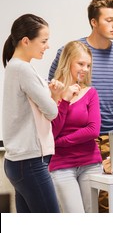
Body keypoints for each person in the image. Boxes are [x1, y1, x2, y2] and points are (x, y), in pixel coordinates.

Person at [48, 0, 113, 212]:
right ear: (94, 22)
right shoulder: (71, 52)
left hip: (107, 139)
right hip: (66, 148)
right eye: (109, 20)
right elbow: (54, 93)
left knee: (102, 209)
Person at [2, 14, 64, 212]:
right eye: (44, 41)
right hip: (29, 163)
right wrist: (55, 95)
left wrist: (51, 94)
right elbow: (52, 111)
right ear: (26, 41)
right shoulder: (23, 69)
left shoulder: (15, 67)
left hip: (20, 162)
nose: (47, 46)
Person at [49, 41, 102, 213]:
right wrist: (63, 100)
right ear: (68, 62)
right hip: (61, 165)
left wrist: (60, 142)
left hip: (91, 163)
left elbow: (93, 130)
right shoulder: (52, 91)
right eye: (81, 64)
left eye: (88, 65)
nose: (85, 69)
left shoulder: (90, 93)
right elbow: (51, 132)